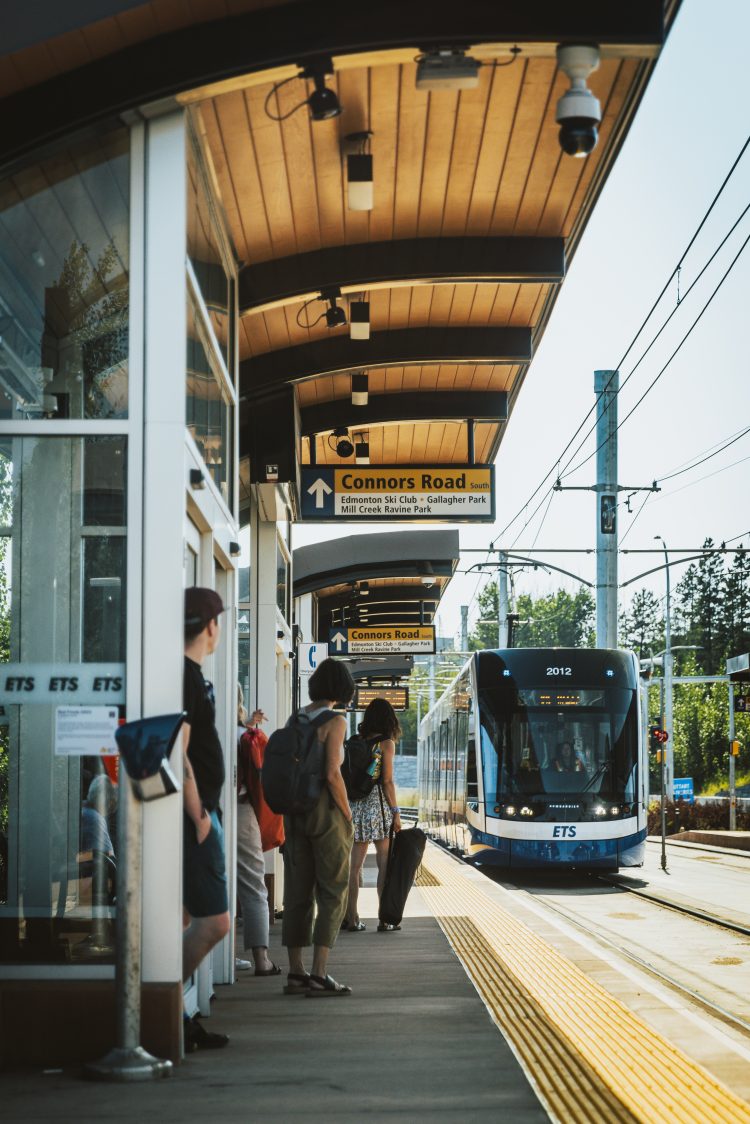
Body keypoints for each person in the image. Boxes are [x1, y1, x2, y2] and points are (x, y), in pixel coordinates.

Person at [282, 657, 355, 996]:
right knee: (332, 889)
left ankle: (295, 972)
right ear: (343, 688)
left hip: (294, 811)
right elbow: (331, 773)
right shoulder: (335, 720)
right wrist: (347, 812)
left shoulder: (295, 718)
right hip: (324, 812)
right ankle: (319, 973)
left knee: (297, 892)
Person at [182, 587, 231, 1050]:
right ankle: (157, 1002)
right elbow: (180, 751)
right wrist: (199, 815)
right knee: (215, 922)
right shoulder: (186, 678)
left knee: (185, 921)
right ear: (209, 626)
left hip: (198, 816)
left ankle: (178, 1018)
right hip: (194, 821)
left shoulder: (192, 676)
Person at [344, 697, 402, 933]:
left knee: (354, 867)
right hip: (377, 806)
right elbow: (386, 781)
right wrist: (396, 812)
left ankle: (351, 918)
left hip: (356, 805)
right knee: (384, 864)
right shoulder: (386, 744)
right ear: (389, 719)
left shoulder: (356, 741)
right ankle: (384, 918)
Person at [235, 692, 281, 976]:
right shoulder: (246, 735)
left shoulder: (204, 729)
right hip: (241, 814)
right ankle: (261, 959)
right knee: (253, 884)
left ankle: (216, 958)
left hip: (202, 812)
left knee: (217, 884)